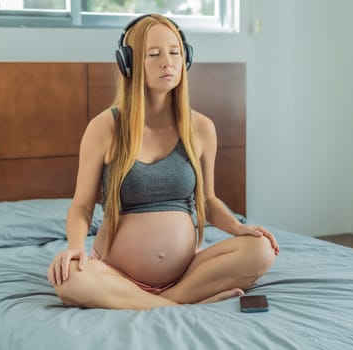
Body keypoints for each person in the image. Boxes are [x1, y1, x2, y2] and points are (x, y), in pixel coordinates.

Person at [47, 13, 279, 310]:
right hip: (117, 275)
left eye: (174, 52)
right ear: (128, 63)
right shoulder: (104, 128)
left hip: (187, 274)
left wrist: (238, 228)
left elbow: (207, 200)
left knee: (260, 250)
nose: (167, 62)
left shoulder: (202, 128)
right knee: (67, 280)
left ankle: (159, 301)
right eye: (153, 54)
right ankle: (175, 305)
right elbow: (81, 206)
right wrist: (76, 248)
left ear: (186, 59)